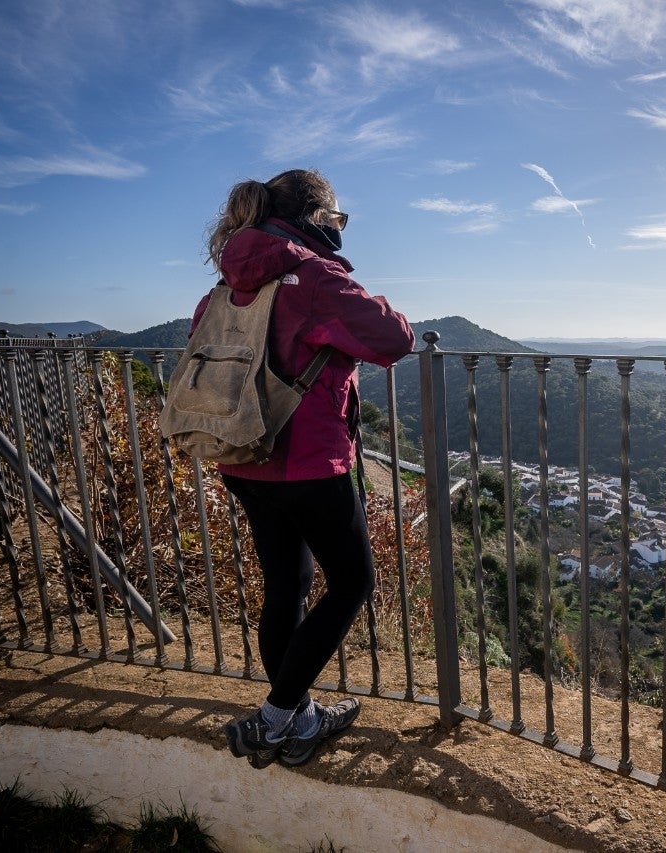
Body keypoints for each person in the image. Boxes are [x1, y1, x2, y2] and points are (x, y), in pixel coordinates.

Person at [194, 168, 416, 768]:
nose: (341, 231)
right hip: (310, 462)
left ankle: (301, 720)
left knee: (285, 588)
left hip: (242, 457)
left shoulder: (223, 287)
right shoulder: (314, 278)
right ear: (318, 220)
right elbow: (395, 339)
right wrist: (357, 292)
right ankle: (273, 722)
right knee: (352, 583)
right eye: (338, 220)